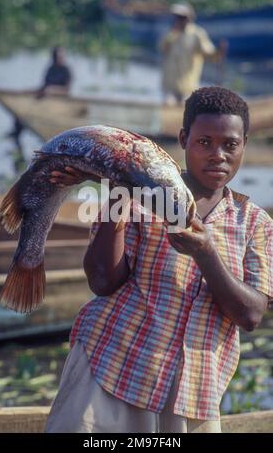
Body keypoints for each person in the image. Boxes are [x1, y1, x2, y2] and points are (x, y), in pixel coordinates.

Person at [45, 86, 273, 433]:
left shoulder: (255, 223)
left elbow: (251, 314)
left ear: (244, 143)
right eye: (204, 142)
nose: (218, 156)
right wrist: (118, 196)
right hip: (111, 371)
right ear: (183, 139)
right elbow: (103, 281)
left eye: (230, 145)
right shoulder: (141, 198)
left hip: (192, 394)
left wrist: (205, 252)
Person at [160, 3, 227, 104]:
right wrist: (172, 34)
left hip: (187, 87)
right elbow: (162, 48)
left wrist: (219, 52)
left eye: (182, 17)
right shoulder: (171, 34)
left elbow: (210, 54)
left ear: (189, 18)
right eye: (177, 17)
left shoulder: (197, 34)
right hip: (169, 86)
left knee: (186, 111)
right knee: (168, 106)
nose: (179, 20)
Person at [8, 46, 72, 141]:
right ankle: (16, 135)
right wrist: (30, 91)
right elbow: (44, 86)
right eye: (55, 56)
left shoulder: (66, 70)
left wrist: (51, 90)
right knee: (22, 109)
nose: (57, 58)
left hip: (59, 103)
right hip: (46, 100)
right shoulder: (51, 69)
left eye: (59, 56)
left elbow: (66, 90)